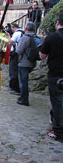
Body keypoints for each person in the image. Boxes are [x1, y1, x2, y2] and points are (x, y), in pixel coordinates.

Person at [40, 13, 63, 143]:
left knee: (57, 102)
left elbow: (42, 55)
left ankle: (58, 131)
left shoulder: (52, 37)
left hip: (56, 74)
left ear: (58, 23)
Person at [15, 22, 37, 106]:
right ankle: (24, 97)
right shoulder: (36, 37)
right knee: (25, 81)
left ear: (26, 29)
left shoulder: (25, 38)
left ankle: (24, 98)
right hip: (32, 61)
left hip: (24, 62)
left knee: (23, 81)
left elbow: (19, 51)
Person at [8, 23, 24, 95]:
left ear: (13, 27)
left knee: (13, 70)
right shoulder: (23, 32)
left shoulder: (17, 33)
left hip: (15, 54)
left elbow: (10, 42)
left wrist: (8, 36)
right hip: (20, 54)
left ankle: (15, 88)